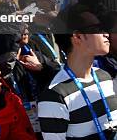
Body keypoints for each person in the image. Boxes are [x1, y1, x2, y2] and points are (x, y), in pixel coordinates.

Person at [38, 10, 117, 139]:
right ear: (77, 37)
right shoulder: (55, 95)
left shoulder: (105, 77)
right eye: (97, 29)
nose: (106, 34)